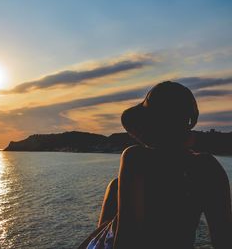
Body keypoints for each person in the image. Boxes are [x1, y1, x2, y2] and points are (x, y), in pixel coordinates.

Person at [80, 81, 232, 249]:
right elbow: (224, 239)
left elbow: (126, 236)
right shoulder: (208, 166)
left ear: (150, 124)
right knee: (115, 185)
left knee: (115, 186)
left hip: (112, 241)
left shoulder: (135, 157)